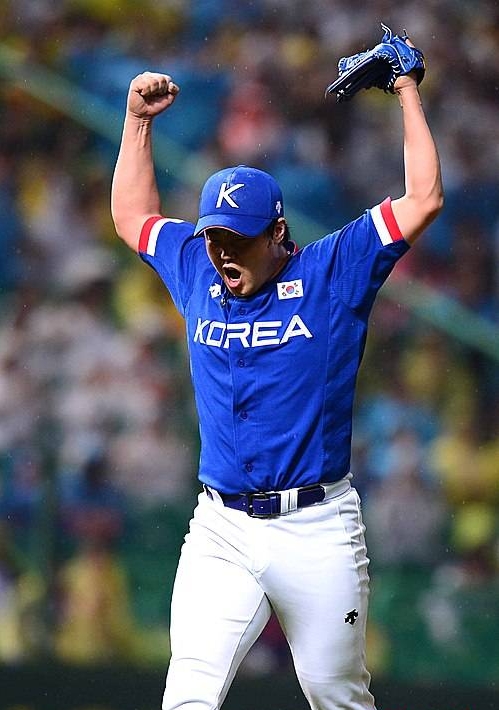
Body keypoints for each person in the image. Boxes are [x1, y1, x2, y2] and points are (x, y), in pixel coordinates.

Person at [110, 45, 443, 710]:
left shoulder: (330, 271)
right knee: (188, 693)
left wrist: (406, 88)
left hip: (316, 525)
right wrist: (137, 122)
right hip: (220, 526)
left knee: (334, 694)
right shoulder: (196, 265)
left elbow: (423, 199)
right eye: (214, 236)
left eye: (238, 239)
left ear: (278, 233)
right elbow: (131, 218)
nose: (221, 251)